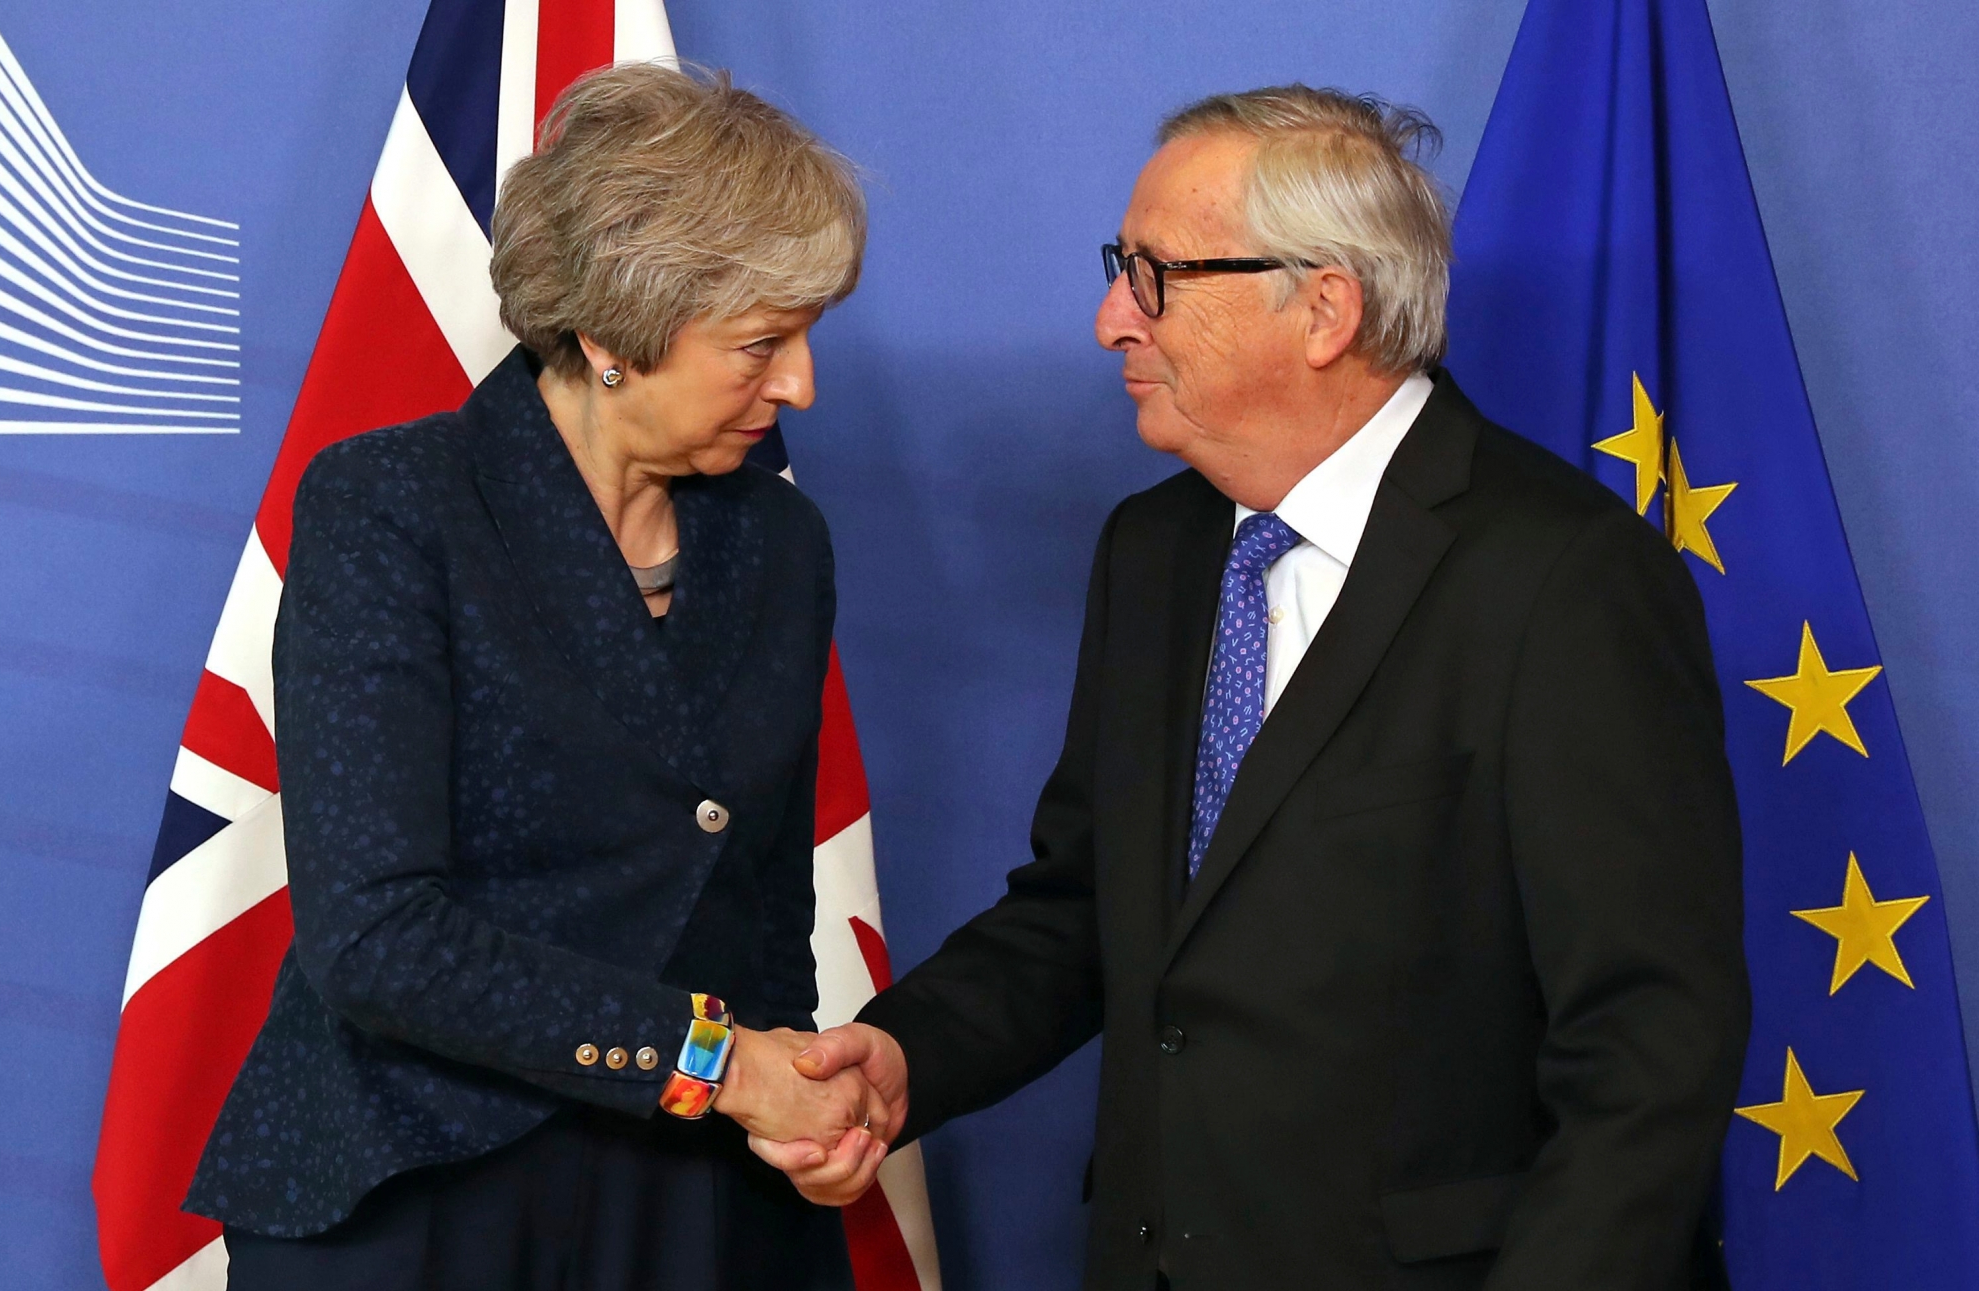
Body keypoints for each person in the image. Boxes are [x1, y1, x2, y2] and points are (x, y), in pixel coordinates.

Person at [758, 86, 1750, 1289]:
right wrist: (906, 1059)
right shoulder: (1154, 551)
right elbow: (1087, 910)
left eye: (1153, 275)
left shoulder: (1563, 581)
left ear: (1324, 308)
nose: (1109, 319)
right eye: (1117, 269)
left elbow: (1647, 1049)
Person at [184, 63, 884, 1290]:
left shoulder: (781, 540)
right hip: (423, 1181)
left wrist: (807, 1096)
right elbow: (378, 937)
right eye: (761, 344)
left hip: (700, 1189)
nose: (799, 386)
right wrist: (717, 1065)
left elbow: (761, 902)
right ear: (614, 338)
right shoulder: (392, 506)